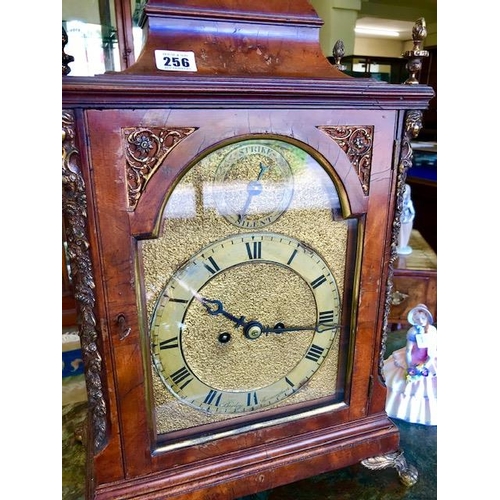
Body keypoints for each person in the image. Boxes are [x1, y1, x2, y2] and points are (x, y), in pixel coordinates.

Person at [383, 303, 437, 425]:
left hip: (429, 357)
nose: (421, 321)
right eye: (417, 319)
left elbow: (433, 350)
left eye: (423, 318)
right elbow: (408, 350)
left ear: (428, 318)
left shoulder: (432, 330)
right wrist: (409, 366)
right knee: (402, 381)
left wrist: (426, 364)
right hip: (413, 357)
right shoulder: (413, 331)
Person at [397, 183, 416, 255]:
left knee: (406, 232)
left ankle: (404, 245)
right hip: (401, 220)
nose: (405, 194)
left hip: (407, 220)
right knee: (400, 233)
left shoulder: (409, 203)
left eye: (406, 193)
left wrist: (410, 218)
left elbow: (412, 212)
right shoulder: (399, 203)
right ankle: (400, 245)